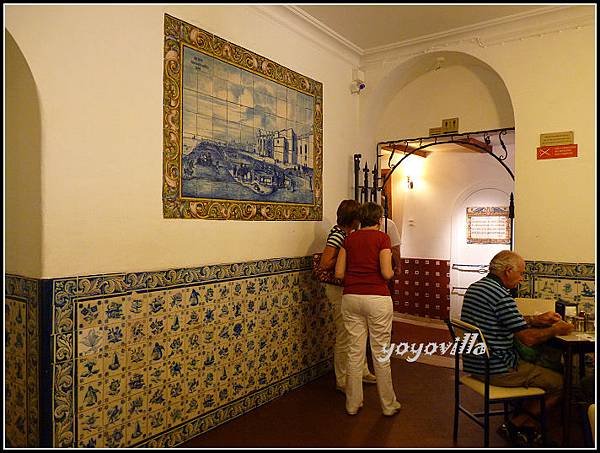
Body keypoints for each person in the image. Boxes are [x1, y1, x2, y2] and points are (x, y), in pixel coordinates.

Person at [460, 250, 574, 446]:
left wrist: (535, 319)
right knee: (562, 382)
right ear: (507, 271)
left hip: (475, 364)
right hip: (498, 368)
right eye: (520, 273)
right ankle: (516, 423)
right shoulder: (501, 296)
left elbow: (504, 321)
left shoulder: (476, 287)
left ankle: (527, 426)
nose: (521, 279)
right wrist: (556, 329)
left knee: (540, 368)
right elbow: (528, 339)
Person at [335, 202, 401, 416]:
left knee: (355, 352)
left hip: (351, 297)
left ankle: (352, 404)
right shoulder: (383, 239)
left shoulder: (349, 239)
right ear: (379, 220)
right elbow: (386, 273)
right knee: (380, 352)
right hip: (377, 298)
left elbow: (338, 273)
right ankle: (388, 405)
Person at [318, 199, 377, 393]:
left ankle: (362, 371)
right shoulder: (337, 235)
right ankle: (342, 380)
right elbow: (325, 263)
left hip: (348, 291)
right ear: (353, 219)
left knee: (357, 333)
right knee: (345, 334)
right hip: (338, 291)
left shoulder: (348, 235)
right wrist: (346, 252)